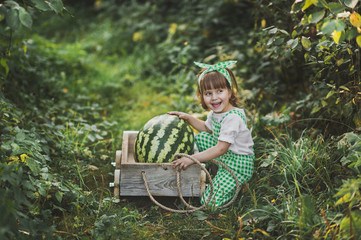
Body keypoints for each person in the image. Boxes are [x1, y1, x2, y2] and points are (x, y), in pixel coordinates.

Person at [168, 60, 254, 207]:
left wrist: (191, 159)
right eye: (208, 93)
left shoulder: (232, 118)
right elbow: (207, 129)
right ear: (202, 96)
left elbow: (221, 148)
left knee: (209, 202)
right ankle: (216, 172)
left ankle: (237, 184)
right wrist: (188, 118)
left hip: (237, 164)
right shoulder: (216, 113)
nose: (214, 98)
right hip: (225, 156)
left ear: (229, 91)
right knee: (201, 138)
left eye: (219, 91)